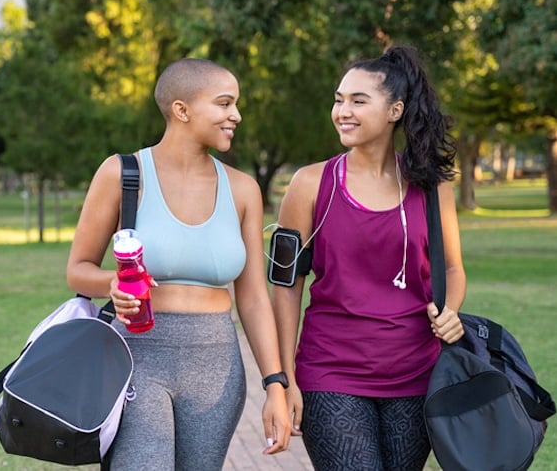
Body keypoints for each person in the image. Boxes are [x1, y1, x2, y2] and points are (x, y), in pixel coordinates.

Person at [66, 58, 291, 469]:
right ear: (182, 110)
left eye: (235, 104)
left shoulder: (243, 190)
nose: (235, 115)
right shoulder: (122, 174)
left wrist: (275, 383)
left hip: (216, 367)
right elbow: (78, 268)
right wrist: (112, 284)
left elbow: (255, 298)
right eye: (224, 104)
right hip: (136, 356)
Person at [270, 45, 467, 470]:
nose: (343, 111)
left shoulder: (432, 187)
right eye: (339, 100)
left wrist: (452, 310)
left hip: (417, 375)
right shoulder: (309, 184)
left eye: (359, 101)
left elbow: (451, 267)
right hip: (330, 372)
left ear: (395, 110)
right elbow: (285, 288)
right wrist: (283, 380)